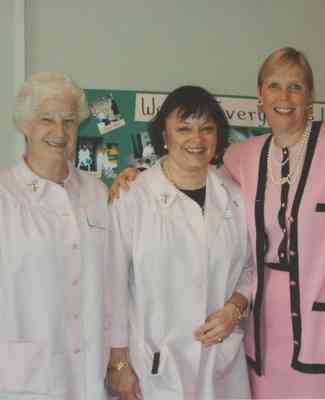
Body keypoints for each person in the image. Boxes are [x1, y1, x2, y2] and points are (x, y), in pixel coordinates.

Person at [108, 48, 325, 399]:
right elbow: (188, 176)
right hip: (262, 335)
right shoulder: (241, 157)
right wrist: (136, 176)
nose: (284, 97)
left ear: (310, 96)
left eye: (295, 86)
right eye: (274, 85)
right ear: (260, 95)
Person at [107, 85, 253, 400]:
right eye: (184, 128)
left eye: (207, 129)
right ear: (164, 135)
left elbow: (250, 269)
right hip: (154, 367)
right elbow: (113, 286)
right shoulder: (132, 197)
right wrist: (118, 362)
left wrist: (234, 308)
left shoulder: (236, 197)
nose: (196, 139)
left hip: (220, 364)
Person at [0, 72, 110, 399]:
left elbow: (115, 277)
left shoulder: (97, 193)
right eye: (46, 119)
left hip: (89, 370)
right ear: (25, 125)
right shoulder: (4, 195)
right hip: (23, 376)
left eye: (69, 121)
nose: (59, 132)